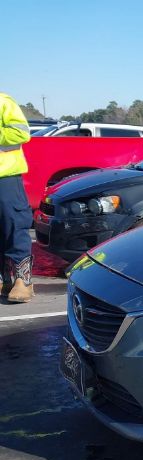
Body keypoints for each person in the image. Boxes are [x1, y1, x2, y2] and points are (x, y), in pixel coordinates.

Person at [0, 93, 33, 303]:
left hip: (6, 176)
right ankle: (4, 280)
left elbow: (21, 133)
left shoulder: (3, 101)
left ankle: (24, 281)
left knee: (14, 226)